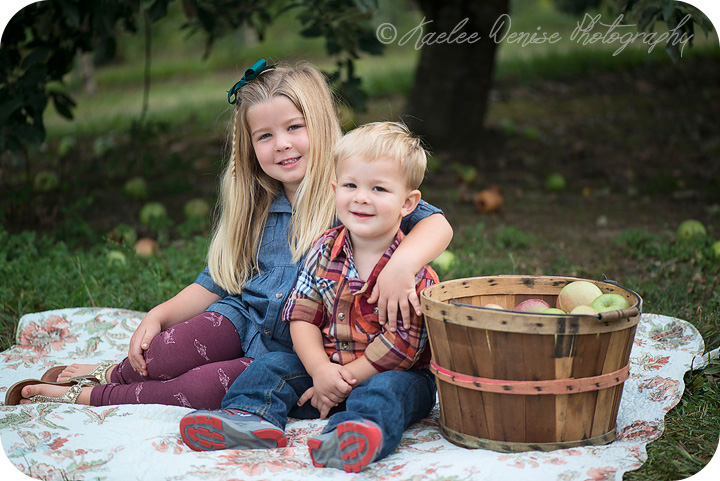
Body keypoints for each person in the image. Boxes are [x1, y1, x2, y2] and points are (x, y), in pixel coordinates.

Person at [7, 60, 452, 409]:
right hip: (242, 317)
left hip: (296, 349)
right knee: (167, 352)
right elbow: (217, 282)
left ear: (319, 124)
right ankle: (111, 372)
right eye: (265, 135)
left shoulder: (357, 193)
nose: (281, 144)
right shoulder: (256, 202)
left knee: (200, 389)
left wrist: (401, 265)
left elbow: (437, 224)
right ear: (250, 147)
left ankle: (89, 396)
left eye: (294, 127)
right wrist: (160, 314)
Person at [179, 122, 440, 474]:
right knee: (272, 365)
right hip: (325, 372)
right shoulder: (324, 250)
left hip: (391, 374)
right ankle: (249, 416)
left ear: (408, 203)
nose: (361, 197)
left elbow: (401, 347)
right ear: (335, 189)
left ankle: (353, 435)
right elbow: (302, 314)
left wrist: (338, 382)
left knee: (388, 390)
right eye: (350, 185)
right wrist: (319, 370)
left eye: (378, 188)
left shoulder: (412, 275)